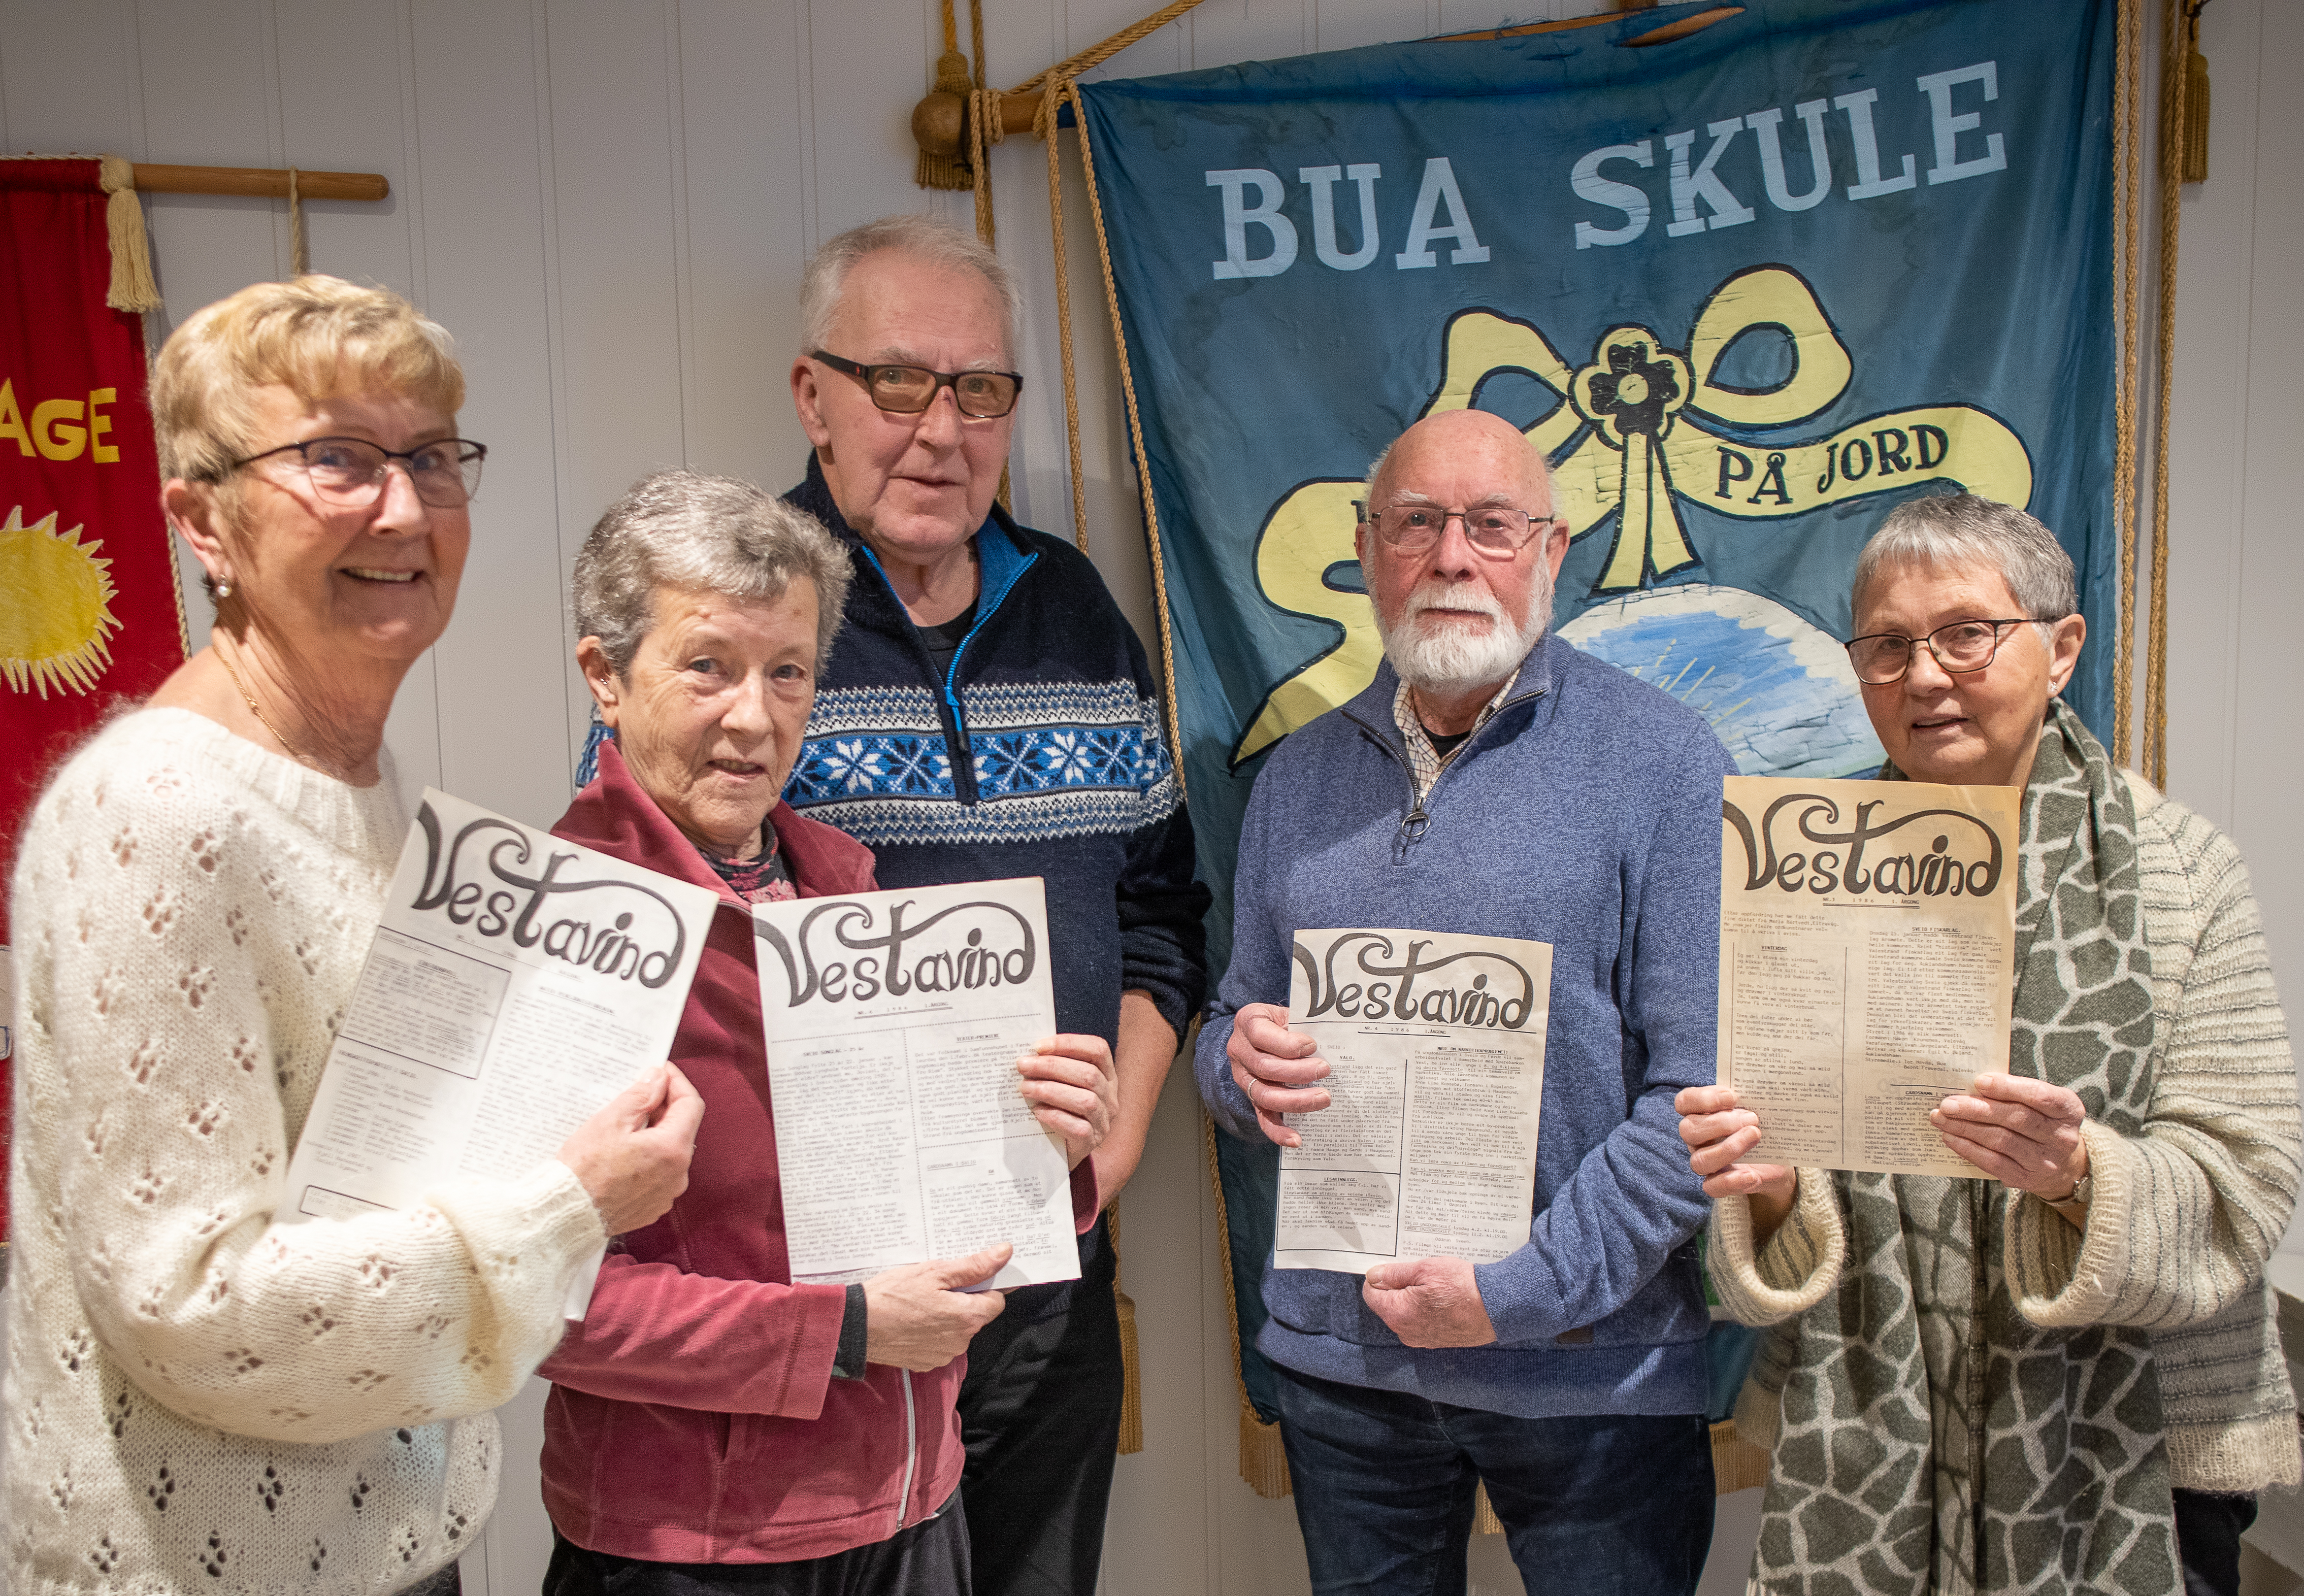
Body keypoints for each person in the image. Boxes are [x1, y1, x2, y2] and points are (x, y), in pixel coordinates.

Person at [3, 276, 701, 1596]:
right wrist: (567, 1205)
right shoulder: (154, 813)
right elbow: (190, 1309)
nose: (403, 508)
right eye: (337, 460)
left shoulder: (357, 783)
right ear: (201, 521)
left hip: (381, 1542)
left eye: (431, 459)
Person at [1680, 491, 2301, 1596]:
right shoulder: (1805, 870)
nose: (1922, 677)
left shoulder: (2180, 871)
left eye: (1965, 634)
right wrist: (1766, 1194)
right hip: (1860, 1429)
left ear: (2060, 648)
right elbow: (1783, 1183)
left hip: (2140, 1451)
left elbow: (2245, 1185)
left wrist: (2077, 1181)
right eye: (1884, 646)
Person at [536, 469, 1120, 1595]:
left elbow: (924, 1208)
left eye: (788, 673)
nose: (754, 717)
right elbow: (545, 1305)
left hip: (911, 1510)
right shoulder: (562, 924)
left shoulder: (844, 893)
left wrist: (1053, 1151)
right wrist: (842, 1332)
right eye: (708, 666)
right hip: (696, 1554)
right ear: (605, 676)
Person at [1196, 408, 1736, 1595]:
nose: (1452, 556)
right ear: (1366, 546)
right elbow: (1227, 1023)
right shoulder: (1294, 778)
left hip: (1592, 1375)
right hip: (1347, 1373)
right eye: (1417, 523)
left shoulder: (1665, 760)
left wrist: (1515, 1297)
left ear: (1548, 552)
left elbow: (1701, 1100)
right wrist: (1234, 1065)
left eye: (1491, 526)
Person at [777, 215, 1210, 1596]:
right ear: (814, 396)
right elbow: (656, 934)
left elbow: (1161, 909)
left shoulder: (1076, 609)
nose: (941, 429)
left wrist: (1122, 1142)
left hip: (1049, 1264)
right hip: (824, 1290)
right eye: (899, 382)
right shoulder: (737, 613)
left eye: (981, 390)